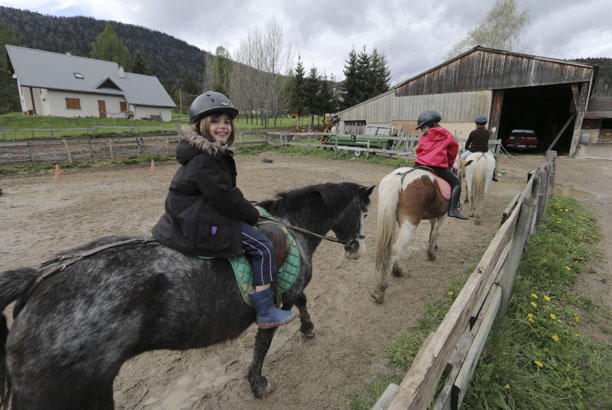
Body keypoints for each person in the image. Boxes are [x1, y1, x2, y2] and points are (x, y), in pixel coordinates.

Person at [152, 91, 295, 329]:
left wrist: (242, 204)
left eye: (227, 121)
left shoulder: (204, 152)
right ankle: (267, 310)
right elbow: (225, 197)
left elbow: (221, 192)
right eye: (215, 120)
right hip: (199, 221)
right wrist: (252, 213)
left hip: (190, 214)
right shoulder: (205, 158)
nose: (223, 126)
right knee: (263, 247)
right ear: (200, 125)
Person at [414, 110, 468, 220]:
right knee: (456, 183)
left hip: (419, 164)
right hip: (437, 166)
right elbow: (453, 151)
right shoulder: (448, 135)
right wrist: (449, 164)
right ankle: (453, 209)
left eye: (423, 127)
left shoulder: (424, 137)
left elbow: (419, 150)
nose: (422, 130)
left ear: (431, 124)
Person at [461, 115, 498, 181]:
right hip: (485, 151)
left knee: (461, 157)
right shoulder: (487, 132)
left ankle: (462, 172)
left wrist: (467, 148)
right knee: (494, 158)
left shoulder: (473, 132)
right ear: (485, 124)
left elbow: (468, 142)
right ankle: (493, 175)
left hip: (473, 150)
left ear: (476, 123)